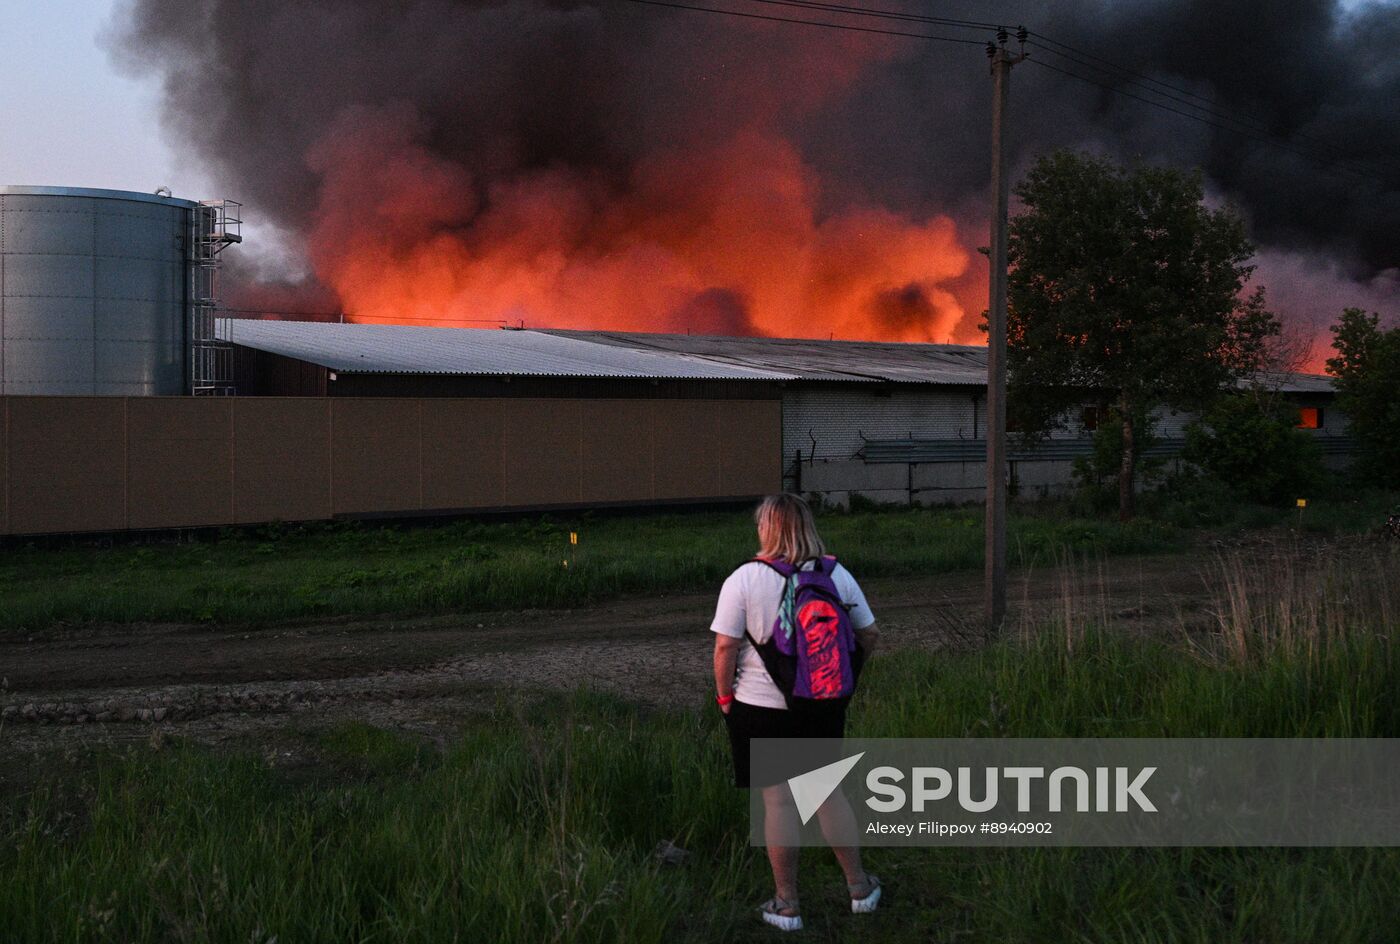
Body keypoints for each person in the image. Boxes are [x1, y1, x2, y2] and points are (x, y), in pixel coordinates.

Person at [710, 493, 882, 932]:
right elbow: (870, 633)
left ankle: (787, 904)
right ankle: (860, 890)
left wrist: (724, 698)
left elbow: (726, 646)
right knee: (827, 795)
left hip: (760, 708)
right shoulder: (835, 573)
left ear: (766, 529)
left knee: (778, 802)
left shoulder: (745, 579)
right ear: (806, 527)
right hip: (822, 705)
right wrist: (842, 678)